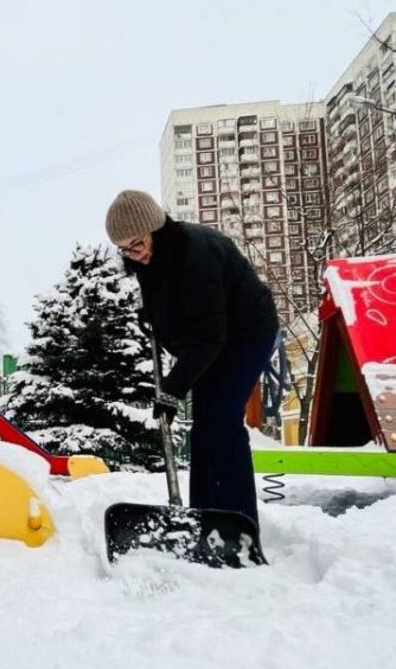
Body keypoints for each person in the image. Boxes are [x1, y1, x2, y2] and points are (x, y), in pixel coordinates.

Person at [105, 189, 280, 526]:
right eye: (124, 248)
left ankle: (236, 520)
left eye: (137, 244)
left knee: (222, 421)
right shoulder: (147, 258)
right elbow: (167, 299)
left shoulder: (196, 254)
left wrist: (173, 387)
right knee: (204, 425)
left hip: (246, 335)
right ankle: (206, 516)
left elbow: (209, 334)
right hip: (210, 342)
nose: (133, 254)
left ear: (156, 230)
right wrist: (152, 316)